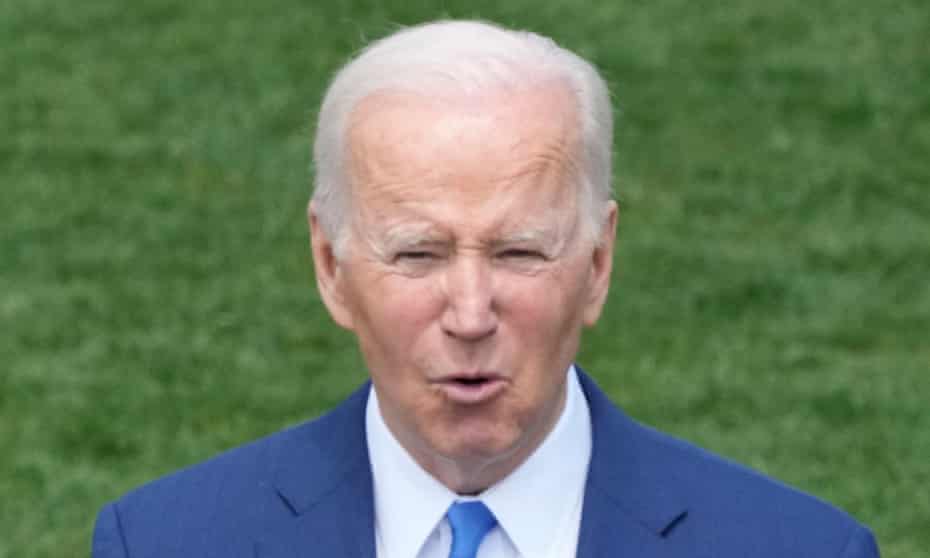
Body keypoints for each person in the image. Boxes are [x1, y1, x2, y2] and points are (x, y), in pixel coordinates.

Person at [92, 20, 880, 558]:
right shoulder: (164, 541)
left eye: (518, 251)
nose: (470, 315)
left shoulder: (798, 548)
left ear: (598, 263)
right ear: (331, 266)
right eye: (419, 254)